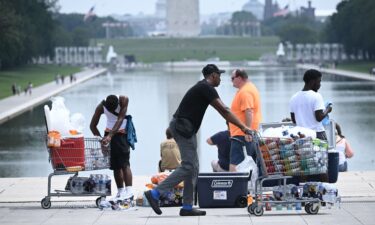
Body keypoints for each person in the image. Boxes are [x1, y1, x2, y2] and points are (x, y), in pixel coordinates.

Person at [144, 64, 252, 217]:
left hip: (185, 128)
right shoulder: (206, 87)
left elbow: (218, 111)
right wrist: (243, 127)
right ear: (213, 75)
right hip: (183, 128)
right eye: (219, 75)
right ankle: (155, 193)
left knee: (193, 167)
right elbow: (225, 110)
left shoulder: (202, 87)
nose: (220, 79)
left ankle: (187, 207)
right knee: (188, 166)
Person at [90, 95, 134, 200]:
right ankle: (120, 192)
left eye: (113, 109)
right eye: (109, 110)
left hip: (122, 133)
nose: (111, 111)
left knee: (124, 163)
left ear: (118, 104)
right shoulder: (101, 107)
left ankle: (129, 191)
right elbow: (92, 126)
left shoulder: (124, 100)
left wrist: (110, 135)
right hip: (108, 133)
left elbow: (120, 119)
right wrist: (101, 140)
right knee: (115, 166)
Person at [229, 69, 262, 172]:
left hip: (241, 135)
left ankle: (234, 187)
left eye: (232, 78)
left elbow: (248, 111)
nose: (231, 81)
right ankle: (245, 186)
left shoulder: (245, 91)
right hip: (243, 133)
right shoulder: (247, 89)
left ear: (239, 78)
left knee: (235, 165)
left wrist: (247, 131)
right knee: (247, 165)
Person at [289, 69, 332, 141]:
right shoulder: (316, 96)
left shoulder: (293, 98)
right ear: (312, 82)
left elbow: (294, 120)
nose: (320, 85)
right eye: (319, 81)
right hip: (317, 134)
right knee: (321, 152)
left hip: (301, 136)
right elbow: (319, 117)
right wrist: (328, 109)